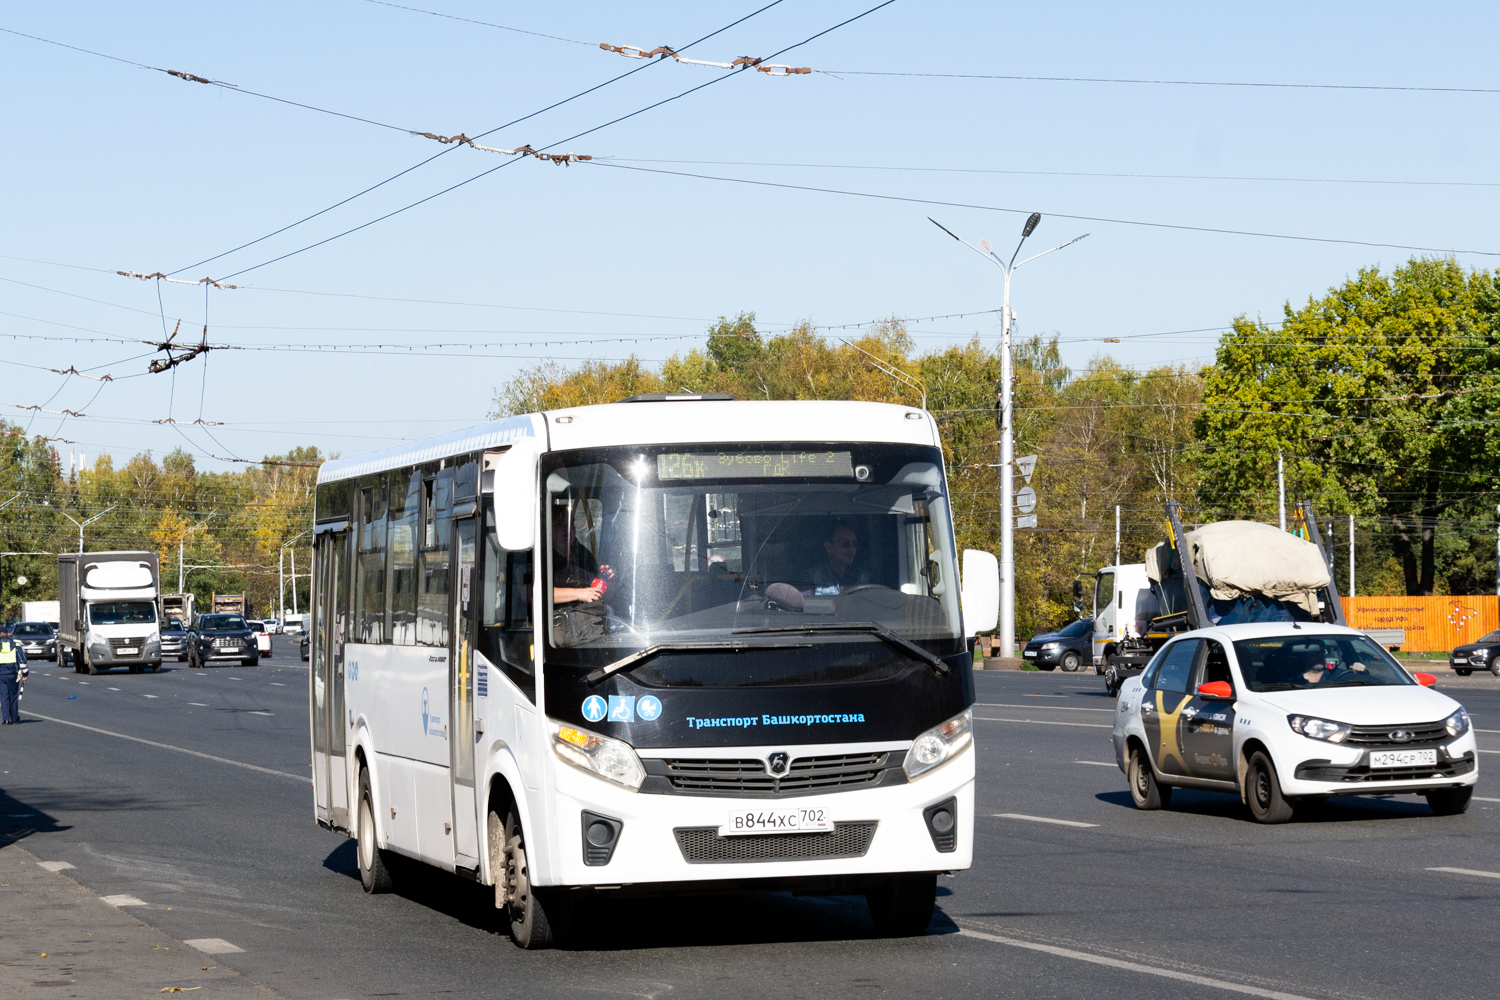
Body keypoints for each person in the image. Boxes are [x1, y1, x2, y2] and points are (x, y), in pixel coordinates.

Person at [551, 509, 613, 606]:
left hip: (588, 615)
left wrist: (606, 579)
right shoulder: (540, 556)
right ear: (547, 528)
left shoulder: (583, 554)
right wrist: (579, 594)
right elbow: (531, 593)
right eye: (560, 524)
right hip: (553, 619)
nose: (568, 529)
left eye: (571, 524)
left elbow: (599, 593)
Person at [807, 521, 870, 595]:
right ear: (828, 547)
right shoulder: (813, 577)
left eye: (854, 544)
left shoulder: (862, 577)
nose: (852, 549)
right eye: (845, 543)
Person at [0, 624, 28, 725]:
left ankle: (6, 719)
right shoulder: (16, 645)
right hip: (13, 674)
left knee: (3, 697)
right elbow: (22, 661)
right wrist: (25, 674)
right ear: (8, 634)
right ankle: (15, 718)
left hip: (1, 675)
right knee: (13, 697)